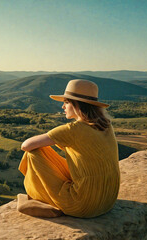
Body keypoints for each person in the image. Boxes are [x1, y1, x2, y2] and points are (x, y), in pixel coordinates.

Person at [17, 79, 120, 218]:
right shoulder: (106, 125)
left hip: (83, 205)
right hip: (107, 201)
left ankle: (38, 196)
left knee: (32, 153)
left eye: (66, 102)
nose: (63, 107)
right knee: (45, 152)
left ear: (78, 105)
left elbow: (26, 145)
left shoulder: (72, 130)